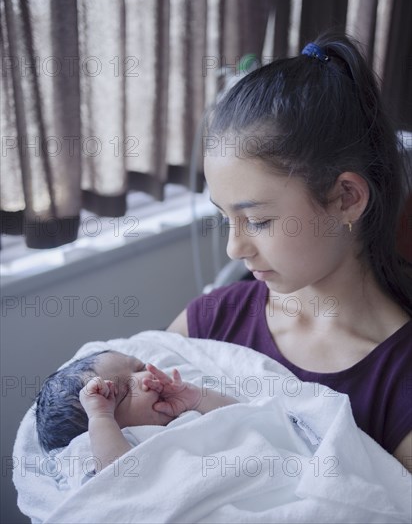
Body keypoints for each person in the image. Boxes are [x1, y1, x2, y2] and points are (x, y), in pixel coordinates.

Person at [167, 33, 412, 472]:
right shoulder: (210, 322)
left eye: (257, 220)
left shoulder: (399, 386)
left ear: (346, 199)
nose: (234, 247)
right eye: (225, 217)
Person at [36, 350, 237, 468]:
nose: (144, 378)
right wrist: (100, 417)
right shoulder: (125, 442)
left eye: (140, 368)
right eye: (124, 393)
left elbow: (242, 414)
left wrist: (195, 399)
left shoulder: (180, 405)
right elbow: (121, 480)